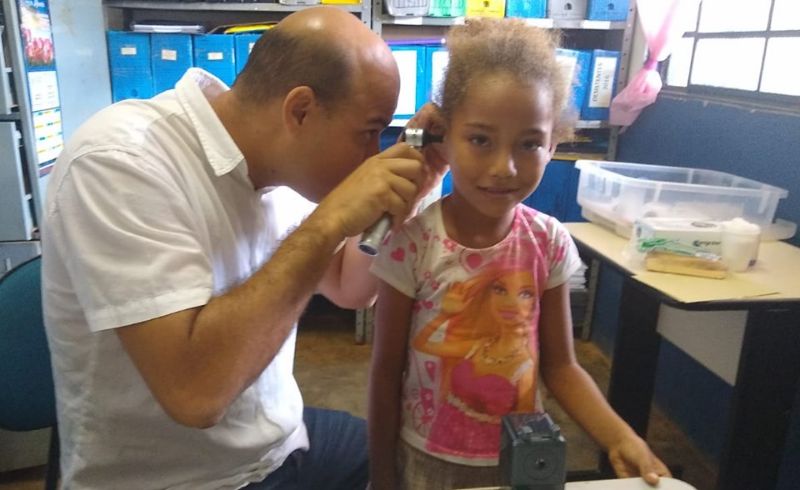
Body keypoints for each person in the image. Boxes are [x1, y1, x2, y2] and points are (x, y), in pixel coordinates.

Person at [41, 6, 444, 490]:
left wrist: (413, 192)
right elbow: (196, 394)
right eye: (368, 133)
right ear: (300, 110)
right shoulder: (120, 162)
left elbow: (349, 286)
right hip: (184, 480)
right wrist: (329, 220)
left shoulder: (280, 160)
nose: (371, 156)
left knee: (417, 463)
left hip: (275, 446)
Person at [368, 18, 671, 489]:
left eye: (529, 143)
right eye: (480, 140)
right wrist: (383, 476)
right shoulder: (412, 244)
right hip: (428, 463)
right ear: (444, 136)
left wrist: (621, 436)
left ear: (553, 144)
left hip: (525, 461)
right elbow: (386, 374)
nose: (504, 167)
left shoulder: (547, 242)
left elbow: (561, 366)